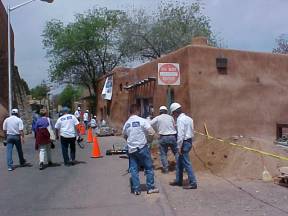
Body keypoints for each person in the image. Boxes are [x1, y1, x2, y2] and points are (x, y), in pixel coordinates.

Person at [123, 104, 159, 195]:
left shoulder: (126, 124)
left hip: (131, 150)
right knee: (148, 168)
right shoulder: (142, 121)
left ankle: (136, 189)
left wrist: (131, 142)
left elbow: (125, 135)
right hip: (142, 148)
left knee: (134, 169)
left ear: (130, 112)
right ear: (137, 111)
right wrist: (150, 140)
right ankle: (150, 188)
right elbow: (151, 132)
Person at [169, 102, 197, 189]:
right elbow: (192, 131)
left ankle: (193, 182)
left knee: (186, 163)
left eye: (173, 114)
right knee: (180, 162)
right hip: (188, 141)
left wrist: (179, 147)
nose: (173, 116)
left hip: (183, 143)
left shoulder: (180, 120)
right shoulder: (189, 119)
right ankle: (179, 180)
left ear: (175, 112)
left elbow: (180, 135)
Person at [150, 106, 178, 174]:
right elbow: (174, 125)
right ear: (166, 111)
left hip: (163, 137)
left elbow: (149, 124)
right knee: (176, 153)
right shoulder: (170, 117)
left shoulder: (157, 118)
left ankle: (166, 169)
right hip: (172, 136)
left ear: (160, 112)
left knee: (163, 154)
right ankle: (179, 167)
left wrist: (155, 130)